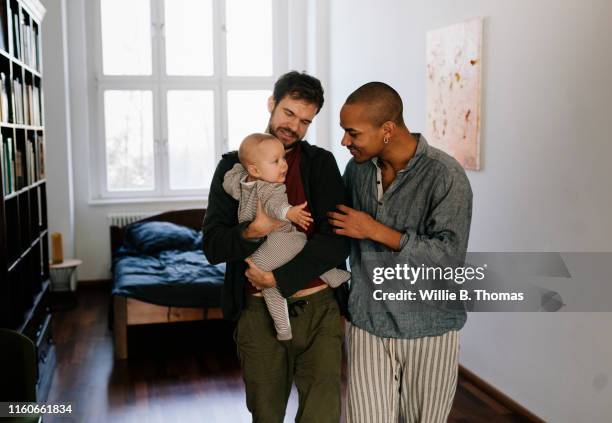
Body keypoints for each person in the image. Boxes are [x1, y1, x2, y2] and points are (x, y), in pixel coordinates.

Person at [202, 71, 349, 423]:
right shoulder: (233, 168)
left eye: (304, 121)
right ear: (272, 104)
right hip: (257, 315)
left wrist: (279, 279)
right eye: (288, 113)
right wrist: (254, 229)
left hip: (319, 311)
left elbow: (338, 240)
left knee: (322, 415)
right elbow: (212, 245)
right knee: (266, 414)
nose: (294, 126)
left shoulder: (322, 164)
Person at [328, 82, 473, 422]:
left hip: (430, 327)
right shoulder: (358, 170)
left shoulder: (446, 175)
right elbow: (337, 233)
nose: (345, 142)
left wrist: (374, 230)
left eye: (353, 133)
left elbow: (449, 258)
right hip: (368, 324)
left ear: (388, 129)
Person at [222, 132, 350, 341]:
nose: (284, 165)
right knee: (267, 282)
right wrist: (239, 167)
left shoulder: (271, 187)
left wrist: (289, 213)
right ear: (254, 169)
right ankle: (285, 324)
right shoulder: (246, 184)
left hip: (284, 239)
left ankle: (284, 326)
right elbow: (229, 184)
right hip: (272, 243)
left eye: (283, 159)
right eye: (276, 161)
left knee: (263, 272)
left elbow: (276, 205)